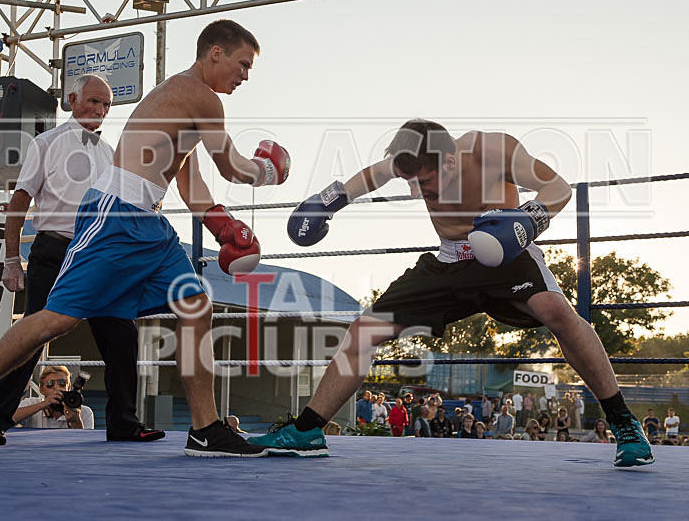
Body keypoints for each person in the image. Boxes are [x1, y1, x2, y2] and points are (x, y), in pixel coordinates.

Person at [0, 19, 290, 459]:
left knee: (196, 306)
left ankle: (205, 429)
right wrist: (270, 169)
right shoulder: (200, 96)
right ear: (216, 53)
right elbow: (233, 167)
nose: (245, 75)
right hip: (116, 217)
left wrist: (224, 227)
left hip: (150, 226)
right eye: (243, 64)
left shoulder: (187, 106)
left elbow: (189, 184)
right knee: (54, 319)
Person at [250, 118, 653, 466]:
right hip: (448, 261)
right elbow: (374, 174)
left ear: (449, 160)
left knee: (558, 311)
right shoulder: (413, 159)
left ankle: (624, 424)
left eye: (425, 182)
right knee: (364, 331)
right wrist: (330, 200)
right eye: (411, 182)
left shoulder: (493, 151)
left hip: (507, 255)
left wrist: (529, 218)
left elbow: (558, 187)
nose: (418, 192)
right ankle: (307, 431)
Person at [0, 74, 162, 447]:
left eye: (106, 105)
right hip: (55, 249)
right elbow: (19, 200)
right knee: (33, 335)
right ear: (72, 100)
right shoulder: (45, 143)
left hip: (99, 254)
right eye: (93, 101)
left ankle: (123, 422)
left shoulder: (110, 153)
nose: (100, 110)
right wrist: (11, 259)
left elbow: (123, 206)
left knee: (121, 332)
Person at [13, 366, 94, 429]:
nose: (57, 388)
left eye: (62, 383)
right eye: (50, 384)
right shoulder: (31, 403)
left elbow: (86, 443)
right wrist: (43, 404)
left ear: (69, 387)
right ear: (41, 390)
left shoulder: (84, 412)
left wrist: (76, 422)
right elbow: (9, 418)